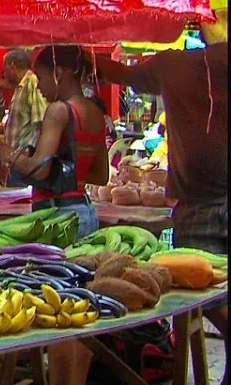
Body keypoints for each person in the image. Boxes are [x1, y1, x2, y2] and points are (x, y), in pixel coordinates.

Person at [95, 42, 227, 380]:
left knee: (201, 295)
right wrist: (82, 54)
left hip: (197, 205)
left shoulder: (174, 64)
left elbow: (121, 73)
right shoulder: (173, 64)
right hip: (196, 205)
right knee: (199, 294)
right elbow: (122, 74)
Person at [0, 46, 105, 238]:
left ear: (57, 73)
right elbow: (101, 175)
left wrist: (9, 154)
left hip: (59, 215)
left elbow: (39, 169)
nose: (38, 86)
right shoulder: (96, 112)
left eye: (40, 77)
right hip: (85, 209)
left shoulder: (58, 110)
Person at [0, 49, 47, 152]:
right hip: (15, 157)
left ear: (12, 65)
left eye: (4, 68)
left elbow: (40, 122)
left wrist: (29, 152)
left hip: (23, 155)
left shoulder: (31, 82)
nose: (4, 73)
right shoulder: (20, 86)